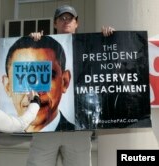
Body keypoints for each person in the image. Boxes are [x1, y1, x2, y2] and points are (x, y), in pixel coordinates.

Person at [27, 5, 114, 166]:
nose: (66, 21)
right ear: (55, 24)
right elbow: (28, 72)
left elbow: (109, 67)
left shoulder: (91, 46)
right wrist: (32, 42)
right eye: (62, 18)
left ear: (77, 23)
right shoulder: (41, 47)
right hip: (45, 128)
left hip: (79, 127)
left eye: (70, 18)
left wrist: (108, 40)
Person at [2, 35, 76, 132]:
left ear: (64, 82)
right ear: (7, 86)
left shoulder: (76, 132)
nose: (35, 92)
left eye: (46, 76)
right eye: (23, 78)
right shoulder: (6, 134)